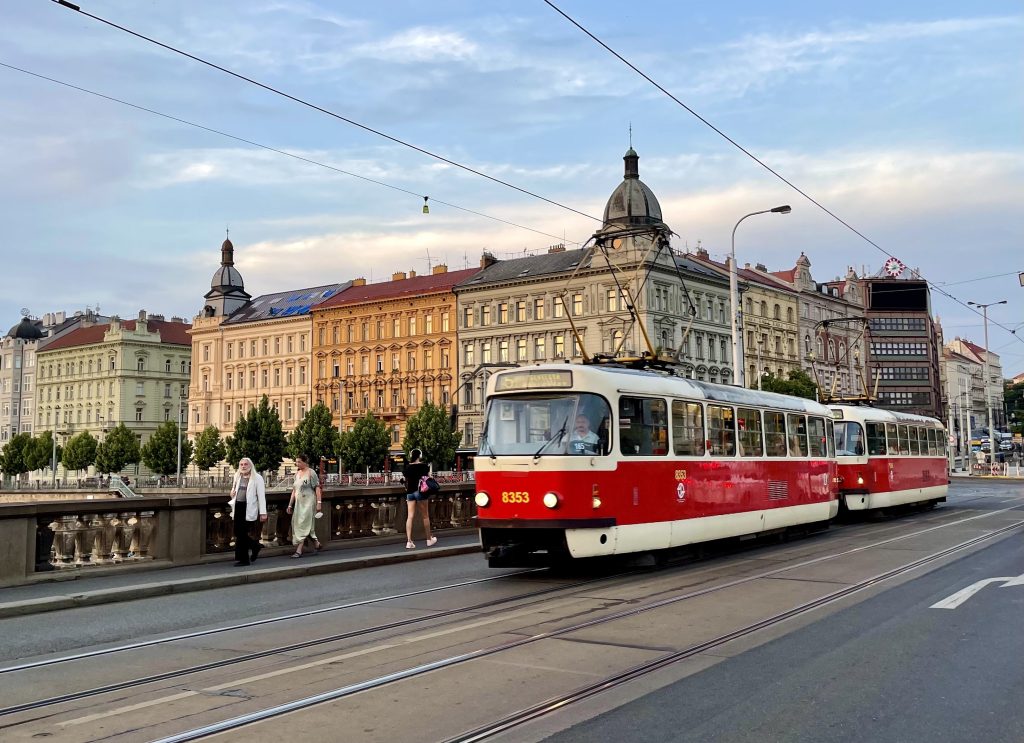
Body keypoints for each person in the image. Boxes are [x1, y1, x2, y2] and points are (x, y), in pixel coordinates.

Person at [229, 457, 267, 566]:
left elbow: (261, 496)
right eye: (241, 464)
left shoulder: (257, 478)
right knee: (237, 532)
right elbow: (234, 490)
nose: (243, 466)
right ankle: (255, 546)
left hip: (249, 508)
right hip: (238, 507)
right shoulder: (237, 476)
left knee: (242, 533)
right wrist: (232, 493)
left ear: (250, 466)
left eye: (245, 464)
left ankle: (244, 560)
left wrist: (263, 513)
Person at [286, 454, 322, 558]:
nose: (297, 464)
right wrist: (290, 505)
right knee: (302, 525)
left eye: (299, 462)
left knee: (302, 524)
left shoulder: (311, 472)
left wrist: (319, 503)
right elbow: (294, 490)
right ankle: (317, 543)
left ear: (305, 462)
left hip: (309, 502)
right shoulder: (297, 474)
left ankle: (299, 550)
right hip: (299, 503)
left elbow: (317, 488)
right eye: (296, 462)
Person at [401, 448, 436, 549]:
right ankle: (429, 539)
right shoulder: (424, 466)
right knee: (425, 516)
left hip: (409, 493)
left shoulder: (407, 467)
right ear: (419, 456)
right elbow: (430, 478)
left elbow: (404, 479)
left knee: (410, 516)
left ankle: (409, 542)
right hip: (420, 492)